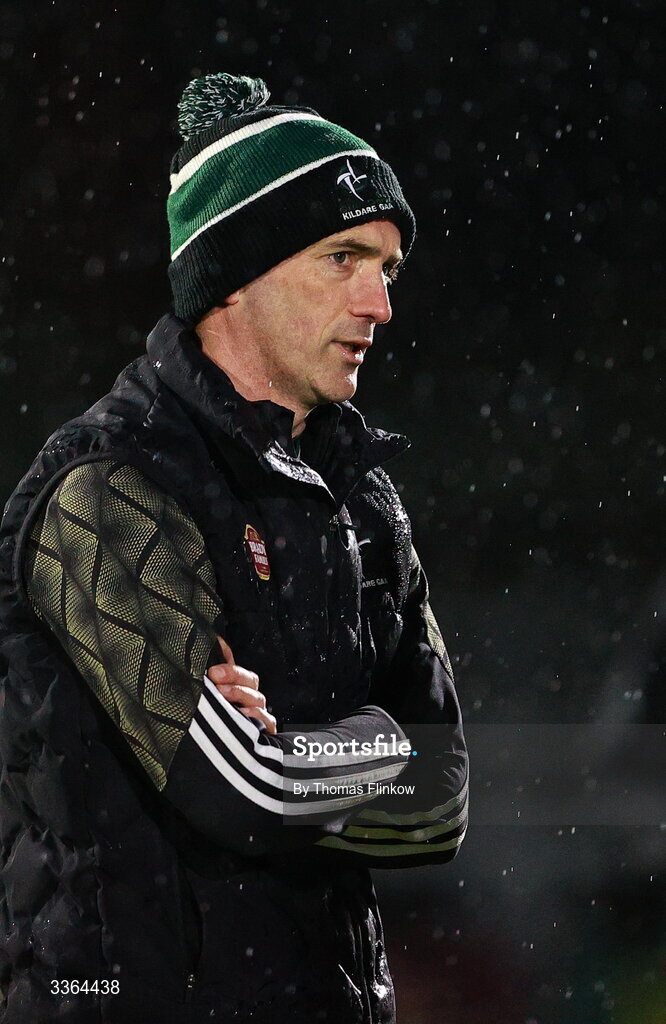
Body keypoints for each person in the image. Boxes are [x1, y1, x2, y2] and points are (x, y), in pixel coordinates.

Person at [0, 73, 468, 1023]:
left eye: (387, 267)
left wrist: (297, 756)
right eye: (344, 258)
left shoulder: (364, 498)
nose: (379, 303)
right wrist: (377, 747)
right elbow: (246, 795)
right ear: (235, 276)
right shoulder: (103, 488)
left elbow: (441, 802)